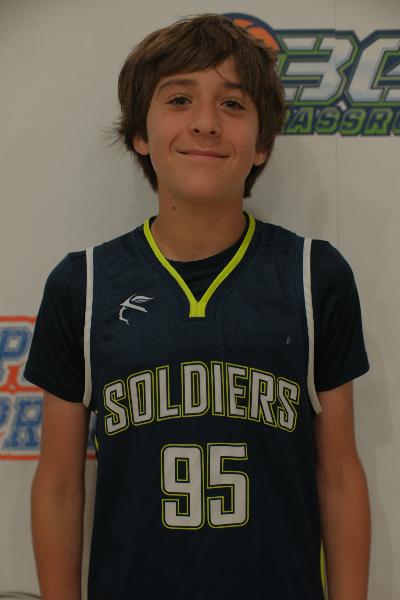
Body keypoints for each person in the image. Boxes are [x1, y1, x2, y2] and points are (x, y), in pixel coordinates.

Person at [25, 13, 371, 600]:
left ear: (262, 144)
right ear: (140, 134)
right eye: (179, 99)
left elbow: (337, 476)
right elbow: (59, 485)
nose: (206, 122)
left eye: (233, 104)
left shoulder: (314, 275)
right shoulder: (83, 285)